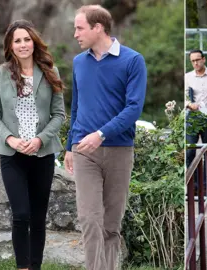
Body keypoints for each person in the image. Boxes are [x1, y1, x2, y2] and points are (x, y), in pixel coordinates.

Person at [63, 5, 147, 270]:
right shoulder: (79, 62)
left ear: (97, 27)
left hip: (119, 150)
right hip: (83, 151)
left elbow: (133, 109)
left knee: (111, 224)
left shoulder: (133, 60)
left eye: (79, 28)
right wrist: (69, 146)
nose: (75, 34)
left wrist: (101, 134)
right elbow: (76, 107)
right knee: (89, 219)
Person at [0, 19, 65, 270]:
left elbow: (59, 115)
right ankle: (22, 267)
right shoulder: (0, 73)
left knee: (39, 217)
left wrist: (41, 139)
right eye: (17, 40)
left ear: (34, 42)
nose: (23, 45)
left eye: (26, 39)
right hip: (12, 154)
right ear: (10, 45)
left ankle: (35, 266)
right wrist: (10, 138)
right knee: (21, 214)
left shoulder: (51, 71)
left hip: (42, 153)